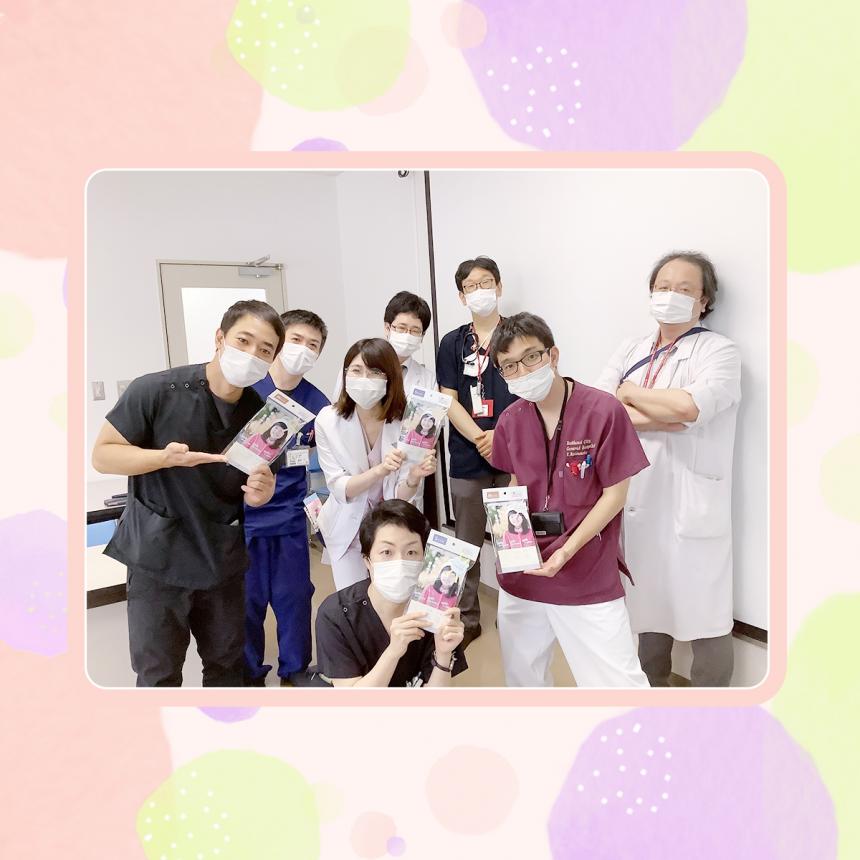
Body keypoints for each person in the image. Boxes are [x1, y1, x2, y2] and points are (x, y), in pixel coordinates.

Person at [92, 300, 282, 687]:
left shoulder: (262, 418)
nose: (252, 355)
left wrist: (260, 494)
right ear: (220, 338)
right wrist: (162, 458)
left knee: (227, 667)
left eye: (265, 350)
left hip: (221, 560)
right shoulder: (155, 390)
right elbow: (103, 456)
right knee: (158, 675)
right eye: (243, 341)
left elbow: (256, 489)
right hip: (158, 559)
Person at [595, 252, 742, 687]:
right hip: (639, 499)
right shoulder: (632, 349)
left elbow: (690, 407)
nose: (670, 295)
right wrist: (667, 415)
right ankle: (653, 698)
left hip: (690, 507)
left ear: (704, 301)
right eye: (663, 287)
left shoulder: (719, 350)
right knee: (648, 611)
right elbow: (603, 411)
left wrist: (630, 393)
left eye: (684, 289)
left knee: (707, 618)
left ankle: (712, 713)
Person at [489, 312, 650, 688]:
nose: (522, 371)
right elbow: (515, 484)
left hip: (585, 571)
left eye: (531, 357)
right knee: (523, 680)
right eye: (509, 365)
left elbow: (615, 495)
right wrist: (509, 546)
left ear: (553, 355)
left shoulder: (603, 411)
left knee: (617, 684)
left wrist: (566, 551)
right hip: (523, 573)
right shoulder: (511, 420)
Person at [242, 309, 331, 688]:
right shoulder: (247, 390)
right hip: (244, 518)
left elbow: (322, 460)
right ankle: (247, 672)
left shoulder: (319, 403)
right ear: (278, 341)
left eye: (313, 345)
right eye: (296, 340)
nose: (303, 350)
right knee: (246, 601)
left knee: (293, 598)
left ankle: (294, 669)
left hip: (290, 518)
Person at [436, 256, 519, 645]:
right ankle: (467, 618)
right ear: (461, 295)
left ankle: (515, 613)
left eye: (486, 282)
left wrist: (500, 438)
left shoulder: (519, 334)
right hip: (469, 455)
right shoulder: (452, 343)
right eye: (471, 286)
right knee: (463, 544)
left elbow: (532, 392)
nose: (480, 291)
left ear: (499, 287)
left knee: (513, 539)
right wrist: (480, 439)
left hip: (514, 454)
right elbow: (448, 399)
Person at [315, 338, 437, 590]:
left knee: (391, 596)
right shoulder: (328, 420)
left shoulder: (408, 423)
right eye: (356, 370)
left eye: (374, 372)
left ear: (390, 377)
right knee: (352, 599)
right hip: (346, 527)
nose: (364, 379)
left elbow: (400, 495)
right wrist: (380, 470)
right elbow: (340, 488)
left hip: (390, 529)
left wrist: (414, 477)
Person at [315, 500, 467, 687]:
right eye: (387, 552)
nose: (400, 563)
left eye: (411, 552)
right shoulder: (336, 615)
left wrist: (443, 656)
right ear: (368, 561)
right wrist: (393, 651)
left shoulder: (436, 611)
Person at [332, 291, 438, 513]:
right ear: (387, 327)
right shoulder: (356, 368)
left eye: (415, 331)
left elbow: (428, 429)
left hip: (403, 479)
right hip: (358, 480)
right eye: (401, 328)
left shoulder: (426, 379)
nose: (407, 335)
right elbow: (341, 418)